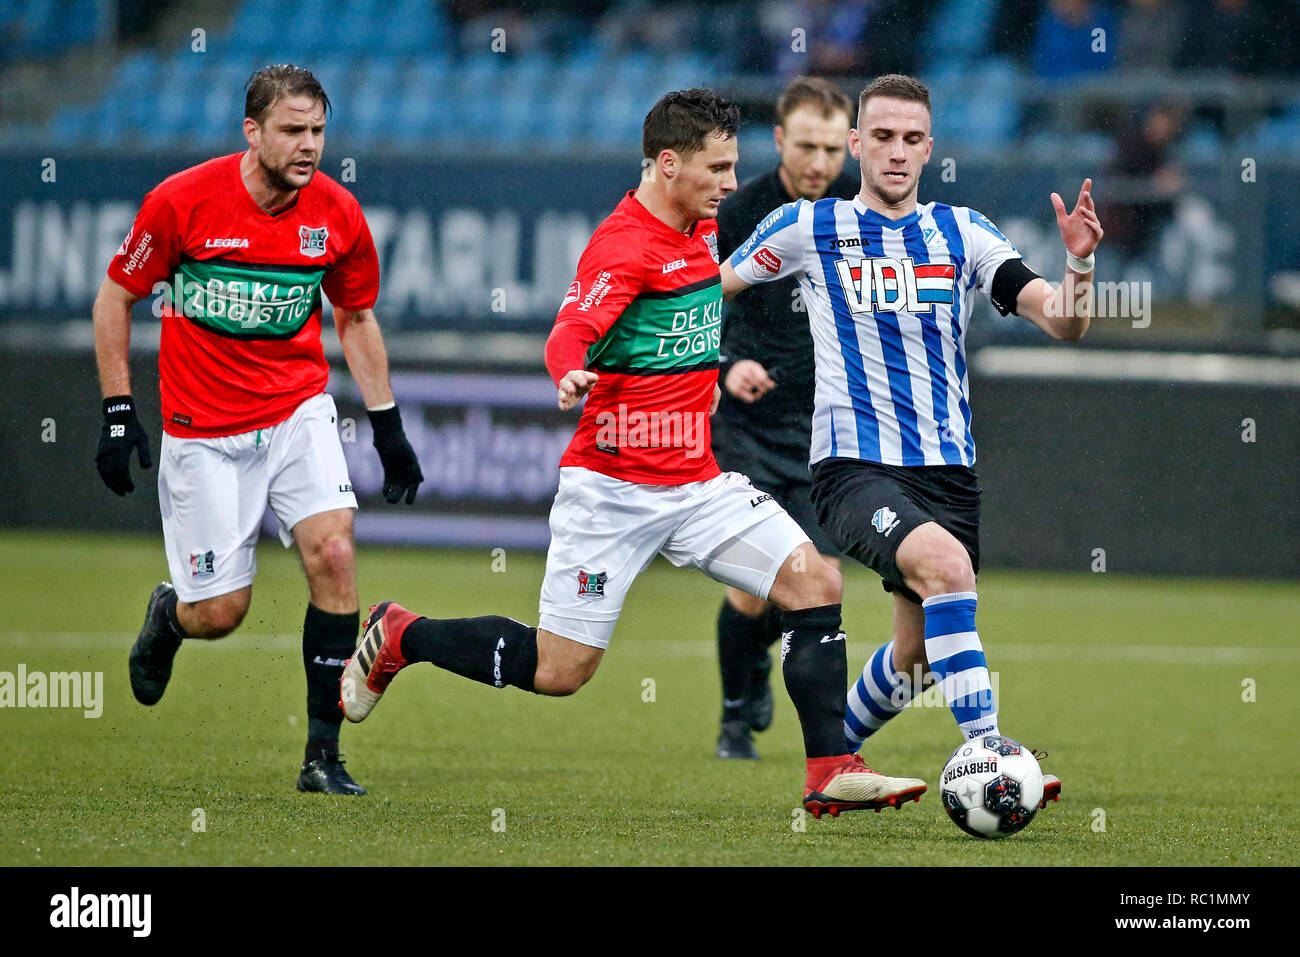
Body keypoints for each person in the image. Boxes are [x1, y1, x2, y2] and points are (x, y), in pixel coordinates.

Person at [342, 88, 927, 819]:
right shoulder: (624, 246)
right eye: (717, 169)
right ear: (669, 164)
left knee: (814, 582)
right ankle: (403, 633)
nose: (729, 184)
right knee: (559, 671)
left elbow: (688, 322)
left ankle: (830, 766)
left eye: (733, 167)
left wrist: (706, 373)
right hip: (612, 489)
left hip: (697, 480)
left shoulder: (703, 225)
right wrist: (571, 372)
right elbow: (570, 328)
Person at [722, 73, 1104, 804]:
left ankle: (839, 758)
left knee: (919, 654)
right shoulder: (811, 227)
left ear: (929, 148)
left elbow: (1065, 321)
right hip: (852, 466)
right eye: (883, 137)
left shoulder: (962, 232)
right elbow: (710, 291)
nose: (896, 153)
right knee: (945, 567)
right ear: (856, 144)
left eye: (912, 139)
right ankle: (991, 754)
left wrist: (1080, 263)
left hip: (948, 473)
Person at [93, 64, 424, 795]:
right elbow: (115, 297)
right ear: (252, 131)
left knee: (335, 553)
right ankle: (168, 617)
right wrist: (119, 411)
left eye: (318, 131)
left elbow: (356, 315)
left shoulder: (336, 213)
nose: (309, 146)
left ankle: (322, 756)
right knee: (220, 613)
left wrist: (387, 423)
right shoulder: (181, 203)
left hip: (297, 407)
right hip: (202, 426)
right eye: (292, 131)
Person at [710, 76, 859, 760]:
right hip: (749, 423)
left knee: (817, 580)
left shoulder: (864, 207)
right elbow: (699, 305)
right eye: (806, 145)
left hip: (825, 429)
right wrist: (724, 367)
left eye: (832, 148)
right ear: (779, 141)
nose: (819, 163)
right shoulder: (739, 211)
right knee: (755, 587)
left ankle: (754, 676)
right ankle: (735, 715)